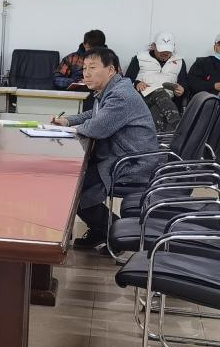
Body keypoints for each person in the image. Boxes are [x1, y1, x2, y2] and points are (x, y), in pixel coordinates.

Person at [51, 47, 160, 250]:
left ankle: (115, 233)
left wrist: (68, 130)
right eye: (84, 68)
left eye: (93, 68)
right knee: (75, 180)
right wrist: (67, 121)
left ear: (111, 70)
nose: (86, 73)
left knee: (74, 185)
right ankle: (103, 231)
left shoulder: (121, 95)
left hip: (133, 164)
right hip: (120, 156)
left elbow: (97, 127)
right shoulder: (111, 89)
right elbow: (94, 116)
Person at [124, 31, 189, 132]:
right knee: (160, 92)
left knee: (157, 110)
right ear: (154, 46)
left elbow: (184, 83)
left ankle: (156, 138)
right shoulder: (140, 58)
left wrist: (182, 89)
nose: (165, 54)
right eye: (162, 50)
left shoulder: (179, 61)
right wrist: (137, 83)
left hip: (167, 102)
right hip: (142, 97)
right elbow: (126, 81)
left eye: (168, 51)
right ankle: (178, 125)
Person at [187, 33, 220, 98]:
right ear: (214, 47)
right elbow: (192, 83)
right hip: (209, 99)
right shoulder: (202, 62)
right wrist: (213, 85)